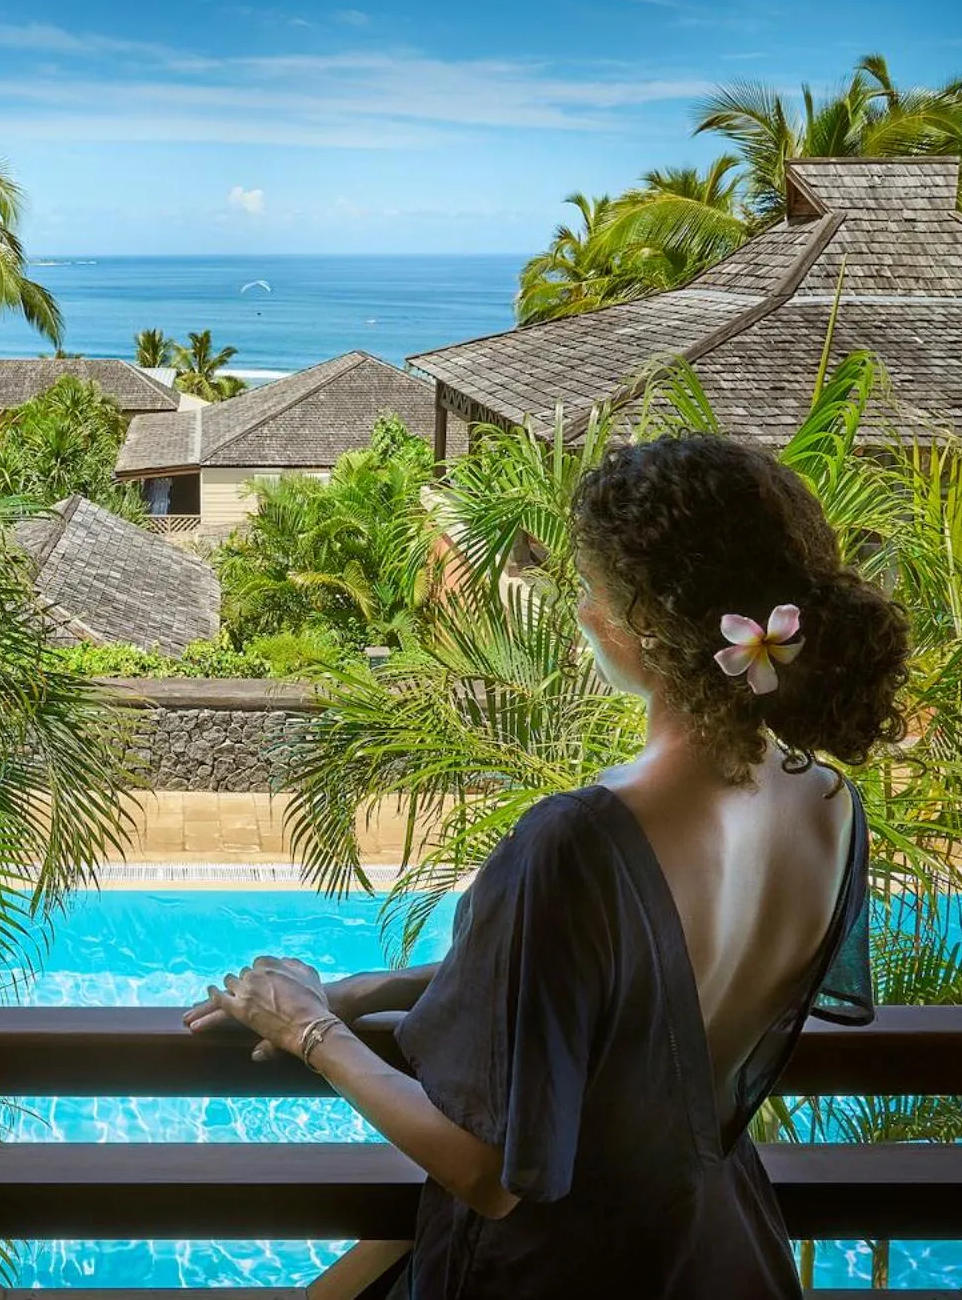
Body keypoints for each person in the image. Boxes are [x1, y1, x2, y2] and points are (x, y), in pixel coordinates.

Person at [184, 434, 911, 1298]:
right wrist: (369, 989)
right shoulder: (827, 806)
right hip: (718, 1250)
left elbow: (495, 1173)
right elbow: (635, 1001)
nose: (577, 608)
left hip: (568, 1271)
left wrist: (311, 1029)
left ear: (645, 617)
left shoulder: (578, 836)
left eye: (588, 586)